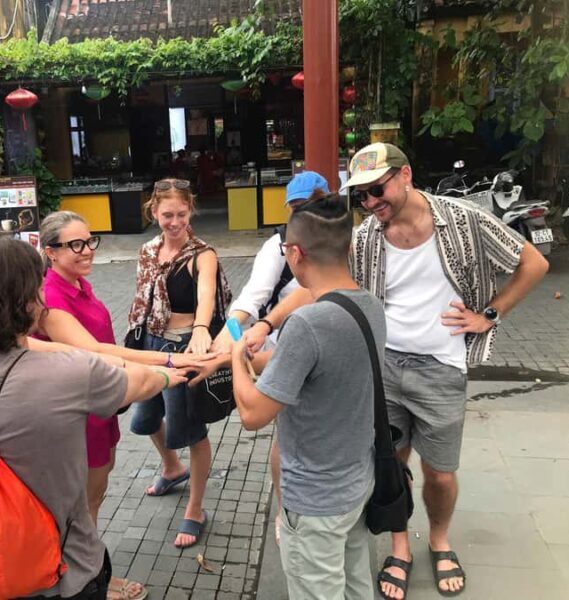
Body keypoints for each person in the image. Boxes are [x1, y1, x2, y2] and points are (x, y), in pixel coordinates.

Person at [248, 143, 550, 599]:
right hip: (382, 365)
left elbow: (534, 263)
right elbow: (319, 281)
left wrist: (489, 314)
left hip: (441, 366)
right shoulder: (367, 235)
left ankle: (440, 539)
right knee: (389, 461)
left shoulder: (462, 219)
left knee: (441, 472)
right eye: (361, 195)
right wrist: (267, 323)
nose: (370, 202)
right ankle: (399, 545)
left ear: (405, 175)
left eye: (377, 190)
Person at [0, 235, 188, 599]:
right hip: (66, 574)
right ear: (29, 302)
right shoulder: (69, 372)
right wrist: (167, 375)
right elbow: (139, 383)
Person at [36, 210, 216, 599]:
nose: (87, 250)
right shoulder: (51, 296)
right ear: (51, 252)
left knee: (92, 500)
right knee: (83, 507)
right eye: (75, 244)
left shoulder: (78, 284)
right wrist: (168, 362)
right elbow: (96, 351)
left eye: (90, 241)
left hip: (98, 407)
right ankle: (90, 580)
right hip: (77, 417)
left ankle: (82, 572)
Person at [230, 195, 382, 599]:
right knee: (356, 585)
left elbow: (252, 414)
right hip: (357, 482)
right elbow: (313, 365)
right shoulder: (369, 305)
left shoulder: (308, 324)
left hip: (315, 497)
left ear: (295, 254)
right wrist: (264, 335)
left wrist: (234, 358)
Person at [211, 170, 330, 545]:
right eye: (296, 207)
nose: (303, 213)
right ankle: (285, 508)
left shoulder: (346, 240)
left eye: (311, 204)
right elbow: (252, 296)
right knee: (288, 435)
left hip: (336, 347)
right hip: (287, 350)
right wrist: (230, 333)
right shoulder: (279, 246)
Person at [126, 178, 229, 548]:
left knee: (191, 430)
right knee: (145, 419)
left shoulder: (203, 254)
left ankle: (196, 509)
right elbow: (142, 298)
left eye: (181, 214)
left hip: (185, 348)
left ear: (191, 211)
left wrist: (201, 329)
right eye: (167, 214)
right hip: (151, 344)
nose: (174, 222)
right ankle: (172, 468)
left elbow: (207, 295)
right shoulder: (148, 251)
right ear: (153, 211)